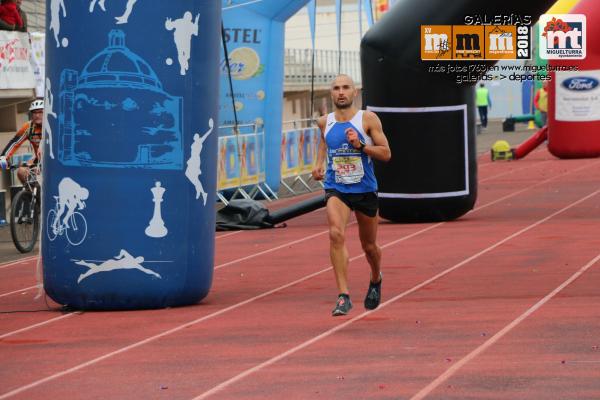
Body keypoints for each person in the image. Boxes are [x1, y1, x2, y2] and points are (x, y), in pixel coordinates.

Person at [312, 74, 391, 316]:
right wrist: (318, 165)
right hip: (337, 187)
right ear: (331, 93)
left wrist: (360, 146)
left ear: (354, 92)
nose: (341, 92)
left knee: (369, 246)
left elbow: (386, 153)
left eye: (346, 87)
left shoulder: (367, 119)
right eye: (336, 88)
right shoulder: (324, 121)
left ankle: (376, 277)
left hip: (365, 189)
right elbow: (325, 143)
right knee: (335, 234)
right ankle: (343, 295)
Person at [0, 99, 44, 185]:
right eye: (34, 112)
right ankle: (31, 195)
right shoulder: (28, 127)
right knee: (21, 172)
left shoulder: (53, 125)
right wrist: (4, 157)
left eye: (40, 112)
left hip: (53, 161)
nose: (37, 115)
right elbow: (15, 143)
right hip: (38, 160)